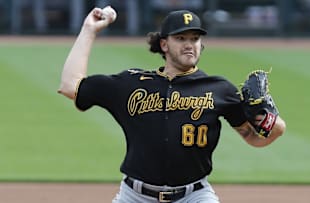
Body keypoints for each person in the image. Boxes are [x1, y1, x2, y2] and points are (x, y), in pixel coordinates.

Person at [58, 6, 286, 203]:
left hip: (194, 195)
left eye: (195, 38)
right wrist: (89, 30)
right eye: (181, 38)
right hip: (135, 196)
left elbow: (254, 137)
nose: (190, 45)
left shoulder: (219, 88)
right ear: (164, 44)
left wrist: (275, 125)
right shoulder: (131, 84)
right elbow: (70, 85)